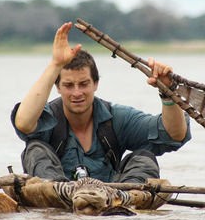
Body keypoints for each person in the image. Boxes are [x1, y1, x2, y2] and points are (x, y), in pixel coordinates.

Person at [10, 22, 191, 184]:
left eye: (84, 84)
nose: (77, 93)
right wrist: (56, 64)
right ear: (57, 87)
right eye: (68, 85)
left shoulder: (116, 118)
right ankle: (60, 191)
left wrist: (168, 92)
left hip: (111, 198)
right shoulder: (47, 115)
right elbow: (23, 123)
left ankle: (126, 199)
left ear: (95, 84)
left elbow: (174, 134)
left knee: (143, 158)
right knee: (35, 149)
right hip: (59, 194)